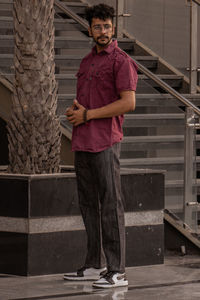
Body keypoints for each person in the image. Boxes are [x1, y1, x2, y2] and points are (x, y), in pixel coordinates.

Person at [63, 3, 138, 288]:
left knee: (110, 206)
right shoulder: (87, 62)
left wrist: (89, 115)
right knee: (88, 205)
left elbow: (128, 102)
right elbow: (85, 101)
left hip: (105, 142)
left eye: (107, 26)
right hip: (82, 141)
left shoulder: (121, 61)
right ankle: (95, 264)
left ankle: (117, 271)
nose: (103, 31)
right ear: (90, 29)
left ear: (113, 28)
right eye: (97, 26)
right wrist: (75, 112)